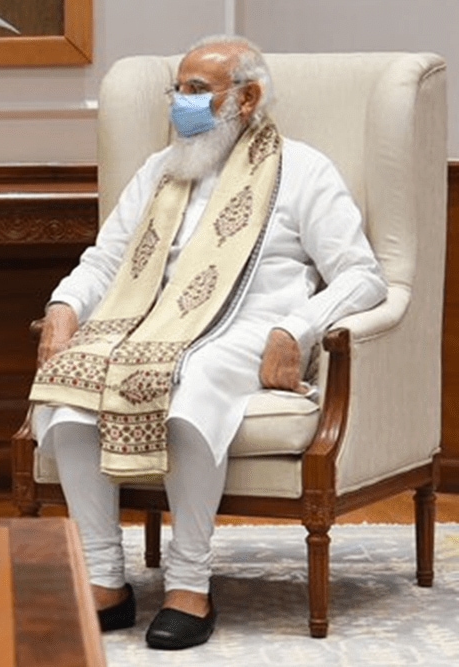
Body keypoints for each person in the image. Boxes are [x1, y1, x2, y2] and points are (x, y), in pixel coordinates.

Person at [30, 36, 387, 650]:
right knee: (70, 395)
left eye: (197, 91)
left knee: (189, 391)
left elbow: (362, 275)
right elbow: (105, 260)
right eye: (178, 90)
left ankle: (189, 585)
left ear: (247, 98)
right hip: (141, 321)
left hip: (246, 326)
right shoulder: (159, 170)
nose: (181, 104)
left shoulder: (302, 169)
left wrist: (295, 328)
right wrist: (64, 306)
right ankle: (105, 580)